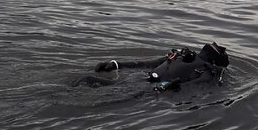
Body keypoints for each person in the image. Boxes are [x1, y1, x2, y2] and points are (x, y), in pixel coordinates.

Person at [75, 42, 229, 89]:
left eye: (220, 50)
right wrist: (116, 64)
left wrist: (168, 87)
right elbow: (147, 64)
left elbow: (189, 85)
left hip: (142, 88)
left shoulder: (208, 71)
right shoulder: (181, 55)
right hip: (138, 82)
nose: (216, 45)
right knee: (86, 80)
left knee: (87, 80)